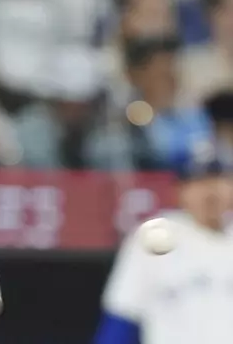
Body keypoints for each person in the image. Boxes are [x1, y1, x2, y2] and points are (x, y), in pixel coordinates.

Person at [94, 139, 233, 344]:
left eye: (219, 179)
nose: (210, 191)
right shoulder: (155, 234)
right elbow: (122, 317)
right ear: (179, 190)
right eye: (199, 181)